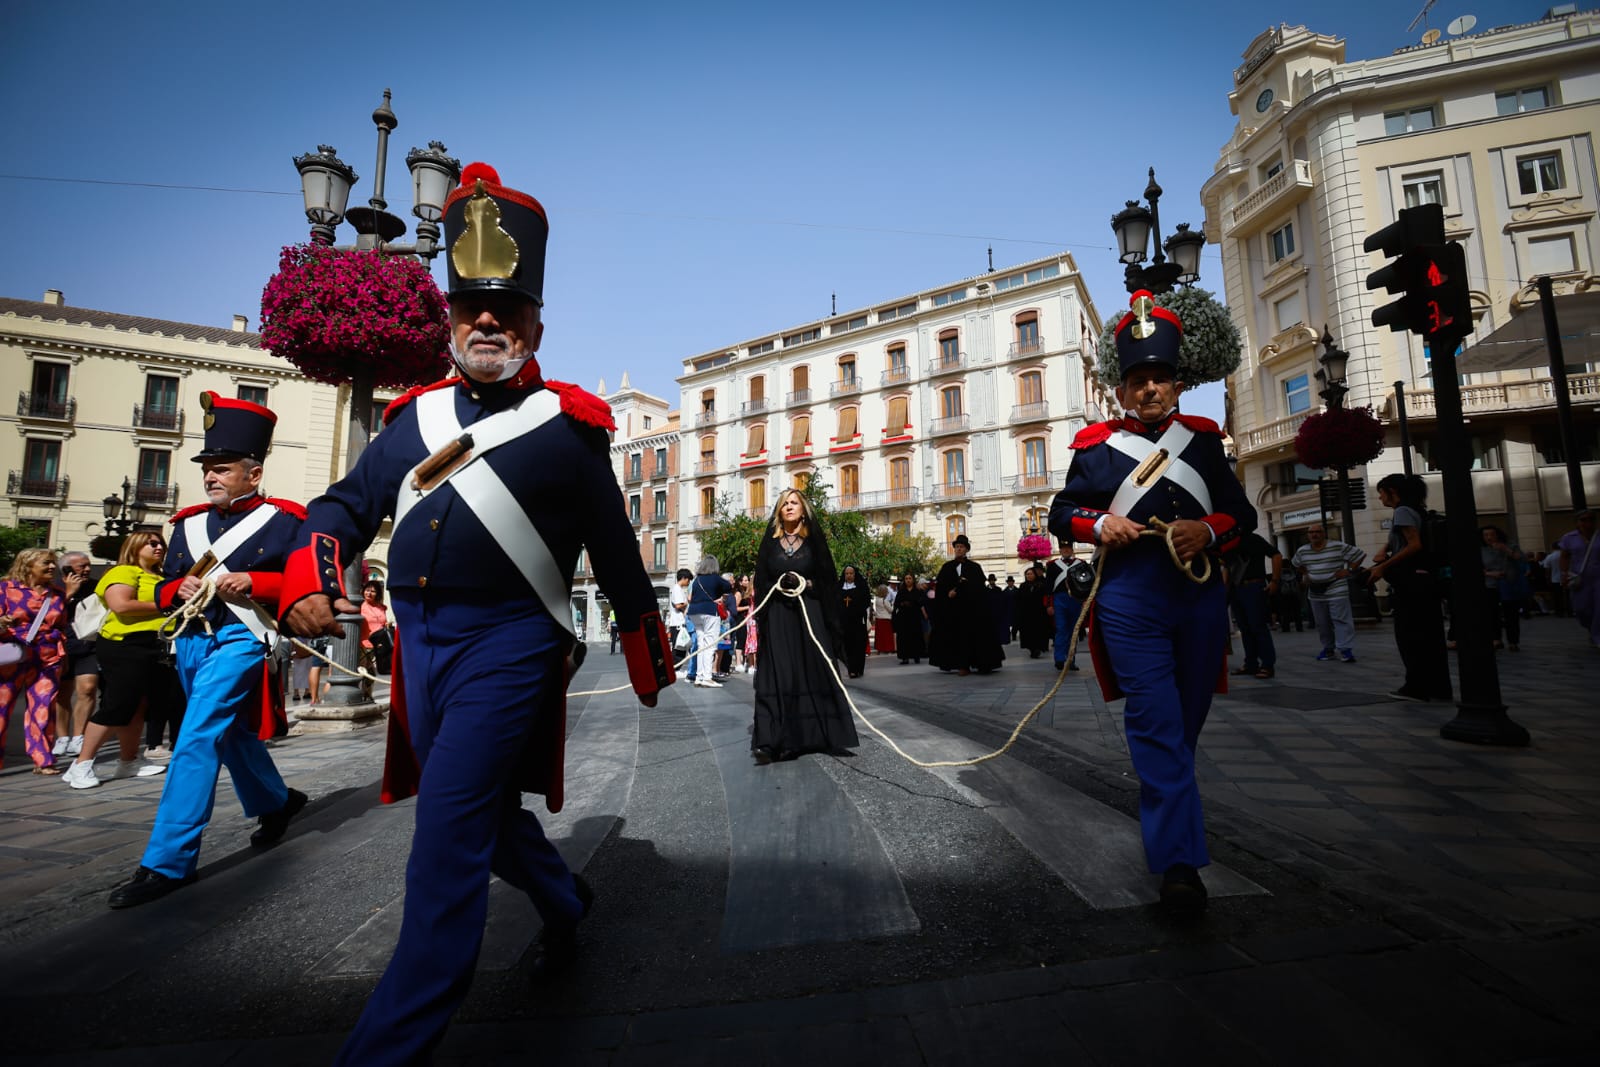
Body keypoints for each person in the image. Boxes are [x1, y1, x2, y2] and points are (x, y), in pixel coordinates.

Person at [280, 162, 673, 1065]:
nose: (486, 321)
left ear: (536, 323)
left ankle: (385, 1049)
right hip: (418, 644)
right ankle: (566, 901)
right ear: (449, 317)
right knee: (485, 815)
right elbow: (341, 506)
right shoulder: (409, 421)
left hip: (511, 641)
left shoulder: (569, 429)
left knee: (446, 832)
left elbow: (616, 547)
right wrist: (313, 565)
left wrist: (645, 638)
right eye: (470, 307)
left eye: (506, 309)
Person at [1049, 289, 1256, 911]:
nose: (1149, 391)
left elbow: (1240, 514)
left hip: (1195, 600)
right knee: (1158, 725)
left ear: (1176, 386)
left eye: (1159, 380)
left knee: (1184, 726)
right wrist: (1095, 525)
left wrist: (1210, 529)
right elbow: (1063, 512)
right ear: (1122, 389)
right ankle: (1179, 865)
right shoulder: (1096, 447)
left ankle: (1173, 823)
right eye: (1137, 380)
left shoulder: (1202, 443)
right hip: (1129, 599)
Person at [105, 393, 308, 908]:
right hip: (193, 640)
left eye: (221, 469)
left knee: (195, 735)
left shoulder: (286, 521)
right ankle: (277, 801)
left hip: (243, 637)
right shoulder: (186, 524)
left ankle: (168, 862)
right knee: (230, 732)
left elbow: (307, 585)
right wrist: (177, 591)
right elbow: (168, 584)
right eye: (207, 469)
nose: (210, 477)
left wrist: (256, 581)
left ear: (253, 474)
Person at [61, 532, 181, 789]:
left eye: (161, 543)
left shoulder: (159, 576)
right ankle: (81, 764)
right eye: (152, 543)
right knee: (118, 704)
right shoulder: (124, 572)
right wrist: (166, 605)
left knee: (138, 705)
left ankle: (128, 761)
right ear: (135, 547)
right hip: (124, 644)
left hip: (153, 645)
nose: (159, 546)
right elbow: (121, 605)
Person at [750, 487, 856, 763]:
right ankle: (770, 740)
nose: (789, 507)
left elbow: (827, 580)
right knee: (779, 674)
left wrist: (806, 583)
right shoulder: (771, 544)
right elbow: (760, 579)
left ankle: (812, 735)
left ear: (803, 510)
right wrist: (776, 585)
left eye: (794, 503)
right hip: (778, 615)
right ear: (779, 511)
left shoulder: (812, 544)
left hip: (809, 613)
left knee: (811, 669)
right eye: (785, 503)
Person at [1368, 473, 1453, 701]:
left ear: (1393, 492)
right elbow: (1408, 538)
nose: (1379, 497)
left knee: (1410, 636)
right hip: (1426, 580)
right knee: (1429, 636)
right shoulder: (1417, 510)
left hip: (1411, 583)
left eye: (1382, 492)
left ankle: (1417, 686)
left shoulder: (1402, 511)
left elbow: (1414, 545)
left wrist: (1383, 566)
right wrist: (1386, 547)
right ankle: (1437, 688)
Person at [0, 548, 75, 773]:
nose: (53, 567)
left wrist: (64, 656)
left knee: (43, 708)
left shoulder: (58, 594)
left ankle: (42, 760)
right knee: (2, 708)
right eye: (46, 563)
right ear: (28, 565)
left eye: (53, 563)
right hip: (11, 654)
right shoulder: (5, 589)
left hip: (48, 657)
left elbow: (62, 625)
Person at [51, 551, 101, 760]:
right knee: (62, 693)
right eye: (81, 566)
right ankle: (62, 737)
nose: (87, 569)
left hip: (89, 645)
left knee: (88, 688)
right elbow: (50, 616)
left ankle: (78, 736)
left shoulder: (96, 586)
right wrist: (69, 593)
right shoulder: (55, 589)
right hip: (62, 646)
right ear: (66, 569)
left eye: (88, 565)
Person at [930, 535, 1004, 675]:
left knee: (972, 637)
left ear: (966, 550)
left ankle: (975, 663)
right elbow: (940, 589)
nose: (959, 549)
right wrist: (948, 593)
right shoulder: (947, 567)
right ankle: (961, 665)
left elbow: (980, 589)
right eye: (957, 547)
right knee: (956, 638)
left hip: (971, 610)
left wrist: (967, 587)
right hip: (953, 611)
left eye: (961, 547)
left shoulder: (974, 567)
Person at [1291, 523, 1365, 663]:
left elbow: (1359, 555)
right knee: (1322, 622)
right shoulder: (1303, 551)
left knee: (1341, 619)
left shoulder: (1337, 546)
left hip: (1336, 587)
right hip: (1315, 590)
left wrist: (1348, 570)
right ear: (1308, 535)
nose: (1314, 534)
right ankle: (1328, 649)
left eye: (1318, 532)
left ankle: (1345, 650)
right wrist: (1306, 574)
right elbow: (1296, 564)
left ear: (1324, 533)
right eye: (1311, 532)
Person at [1229, 531, 1282, 679]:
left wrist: (1275, 580)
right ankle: (1251, 663)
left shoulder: (1252, 539)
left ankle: (1267, 664)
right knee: (1245, 628)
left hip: (1252, 585)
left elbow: (1276, 555)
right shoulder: (1227, 541)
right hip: (1237, 587)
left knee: (1258, 626)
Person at [1557, 508, 1599, 650]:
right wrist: (1563, 574)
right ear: (1577, 522)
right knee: (1582, 609)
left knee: (1599, 607)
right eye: (1583, 520)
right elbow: (1564, 556)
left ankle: (1597, 635)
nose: (1587, 523)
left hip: (1598, 576)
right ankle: (1591, 628)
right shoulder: (1569, 538)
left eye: (1591, 519)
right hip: (1579, 578)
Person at [687, 557, 732, 688]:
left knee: (701, 645)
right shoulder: (715, 578)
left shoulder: (696, 580)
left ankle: (699, 676)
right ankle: (707, 677)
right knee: (710, 645)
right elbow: (728, 586)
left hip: (694, 613)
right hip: (709, 613)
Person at [1479, 526, 1525, 651]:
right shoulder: (1481, 550)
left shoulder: (1510, 545)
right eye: (1486, 535)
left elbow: (1520, 558)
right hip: (1490, 584)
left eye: (1492, 534)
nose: (1489, 537)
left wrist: (1505, 549)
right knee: (1492, 613)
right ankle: (1496, 639)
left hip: (1509, 583)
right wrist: (1489, 574)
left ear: (1498, 535)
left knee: (1511, 614)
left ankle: (1513, 641)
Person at [1042, 541, 1083, 672]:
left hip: (1075, 600)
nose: (1066, 550)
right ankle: (1059, 659)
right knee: (1061, 629)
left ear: (1072, 549)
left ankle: (1071, 660)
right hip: (1059, 599)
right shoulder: (1052, 565)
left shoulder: (1080, 564)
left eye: (1068, 548)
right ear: (1060, 550)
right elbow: (1048, 586)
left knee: (1073, 631)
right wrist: (1049, 604)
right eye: (1063, 548)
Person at [838, 565, 870, 678]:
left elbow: (866, 601)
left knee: (858, 646)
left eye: (851, 573)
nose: (849, 575)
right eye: (847, 573)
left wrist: (857, 610)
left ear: (855, 574)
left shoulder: (861, 586)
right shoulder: (839, 587)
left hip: (858, 622)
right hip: (845, 623)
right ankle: (851, 669)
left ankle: (858, 668)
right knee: (848, 646)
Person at [1014, 566, 1052, 659]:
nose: (1029, 576)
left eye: (1030, 574)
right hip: (1026, 613)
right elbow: (1019, 599)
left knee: (1038, 631)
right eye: (1027, 574)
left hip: (1039, 613)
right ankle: (1032, 649)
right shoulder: (1023, 586)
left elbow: (1046, 597)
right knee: (1028, 632)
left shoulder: (1041, 585)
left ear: (1034, 575)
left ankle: (1038, 648)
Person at [891, 573, 925, 664]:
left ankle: (916, 656)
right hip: (904, 618)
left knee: (915, 636)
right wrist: (903, 603)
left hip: (914, 617)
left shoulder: (917, 591)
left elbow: (921, 602)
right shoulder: (901, 591)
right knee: (904, 637)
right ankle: (904, 657)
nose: (908, 580)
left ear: (913, 580)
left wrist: (914, 603)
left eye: (910, 578)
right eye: (906, 578)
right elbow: (896, 604)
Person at [740, 575, 759, 673]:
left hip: (750, 615)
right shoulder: (755, 591)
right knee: (754, 641)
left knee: (751, 640)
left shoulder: (749, 591)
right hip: (754, 616)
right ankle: (754, 665)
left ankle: (752, 664)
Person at [872, 582, 895, 658]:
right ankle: (888, 649)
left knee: (879, 636)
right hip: (886, 619)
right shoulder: (885, 601)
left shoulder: (877, 600)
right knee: (887, 636)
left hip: (879, 619)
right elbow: (891, 610)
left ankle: (879, 649)